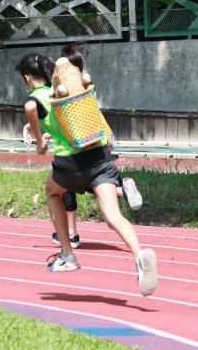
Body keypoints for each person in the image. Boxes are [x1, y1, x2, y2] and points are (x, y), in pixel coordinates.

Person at [16, 50, 157, 296]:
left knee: (52, 193)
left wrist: (40, 141)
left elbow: (30, 106)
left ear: (27, 78)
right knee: (113, 216)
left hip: (71, 164)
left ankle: (68, 255)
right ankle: (139, 255)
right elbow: (65, 123)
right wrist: (46, 130)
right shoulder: (68, 91)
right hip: (100, 156)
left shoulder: (38, 95)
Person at [43, 41, 143, 249]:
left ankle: (71, 234)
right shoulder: (86, 90)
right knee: (103, 199)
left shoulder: (62, 97)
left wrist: (43, 132)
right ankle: (123, 191)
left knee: (62, 187)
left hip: (76, 154)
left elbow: (62, 126)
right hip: (101, 146)